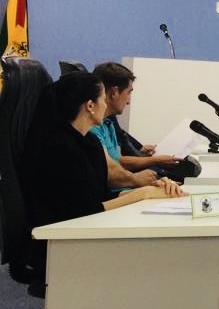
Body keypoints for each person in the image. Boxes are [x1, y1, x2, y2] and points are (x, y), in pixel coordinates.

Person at [20, 72, 185, 263]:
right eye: (102, 99)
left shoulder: (89, 142)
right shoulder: (60, 148)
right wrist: (142, 194)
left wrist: (154, 188)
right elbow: (84, 211)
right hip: (61, 246)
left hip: (82, 233)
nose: (105, 105)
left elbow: (101, 196)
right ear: (90, 106)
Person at [91, 62, 180, 186]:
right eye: (129, 93)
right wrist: (137, 178)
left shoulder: (108, 124)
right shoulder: (92, 128)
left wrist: (144, 159)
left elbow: (118, 161)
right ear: (114, 93)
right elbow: (110, 170)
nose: (129, 101)